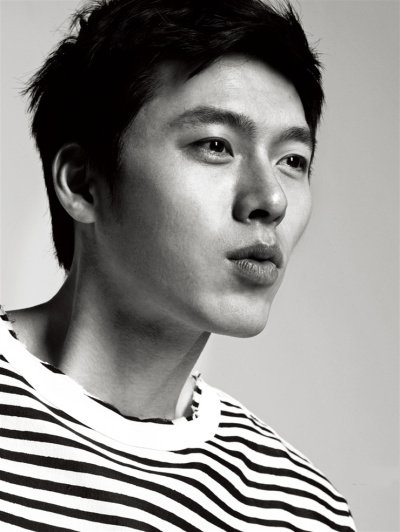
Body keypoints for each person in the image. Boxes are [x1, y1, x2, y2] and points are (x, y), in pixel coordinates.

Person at [0, 0, 357, 529]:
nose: (272, 199)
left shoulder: (299, 511)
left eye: (292, 161)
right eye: (215, 146)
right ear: (82, 183)